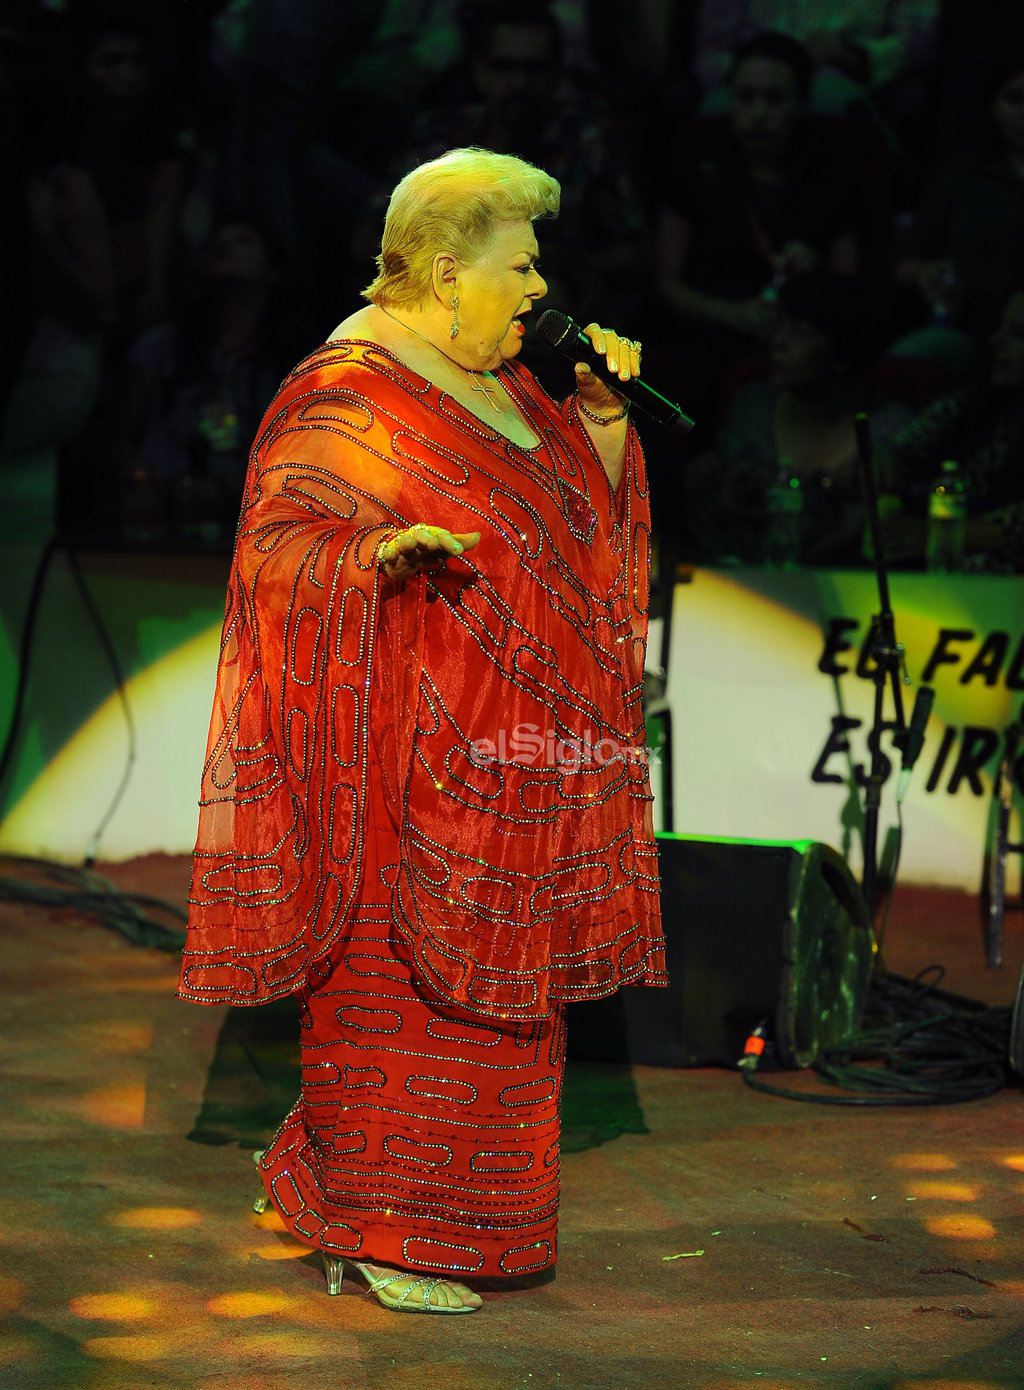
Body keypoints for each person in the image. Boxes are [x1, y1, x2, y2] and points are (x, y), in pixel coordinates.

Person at [177, 147, 666, 1314]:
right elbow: (276, 547)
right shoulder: (348, 387)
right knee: (399, 995)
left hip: (514, 770)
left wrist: (600, 419)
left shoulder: (508, 379)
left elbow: (577, 533)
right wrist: (370, 558)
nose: (540, 286)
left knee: (502, 1017)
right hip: (401, 755)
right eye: (522, 263)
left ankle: (377, 1200)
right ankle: (378, 1228)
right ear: (449, 271)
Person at [682, 271, 912, 566]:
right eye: (779, 326)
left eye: (799, 331)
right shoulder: (752, 407)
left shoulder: (889, 430)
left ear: (843, 350)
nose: (779, 343)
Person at [880, 285, 1024, 572]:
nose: (998, 341)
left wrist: (947, 534)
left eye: (1017, 333)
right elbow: (904, 447)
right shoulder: (971, 406)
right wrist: (884, 460)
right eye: (1000, 328)